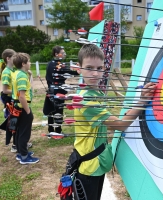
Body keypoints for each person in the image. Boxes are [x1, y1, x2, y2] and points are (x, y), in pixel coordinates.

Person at [71, 44, 156, 200]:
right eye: (89, 67)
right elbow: (120, 125)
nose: (95, 73)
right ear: (79, 68)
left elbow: (113, 122)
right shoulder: (86, 99)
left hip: (93, 161)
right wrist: (143, 100)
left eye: (99, 68)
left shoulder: (94, 91)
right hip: (90, 167)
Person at [43, 45, 79, 135]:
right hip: (58, 91)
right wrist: (78, 70)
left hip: (50, 90)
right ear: (56, 54)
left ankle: (51, 131)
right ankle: (58, 131)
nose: (64, 54)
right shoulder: (59, 64)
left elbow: (47, 77)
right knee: (58, 109)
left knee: (51, 110)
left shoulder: (50, 64)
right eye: (62, 53)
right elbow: (70, 72)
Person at [12, 52, 39, 164]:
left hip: (17, 106)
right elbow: (22, 96)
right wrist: (27, 111)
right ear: (23, 63)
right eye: (28, 61)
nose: (30, 63)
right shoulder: (22, 76)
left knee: (19, 131)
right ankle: (24, 157)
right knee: (24, 132)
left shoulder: (17, 73)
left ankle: (20, 152)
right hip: (22, 107)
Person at [0, 49, 17, 152]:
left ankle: (19, 141)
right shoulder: (6, 72)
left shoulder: (12, 70)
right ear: (8, 58)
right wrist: (18, 91)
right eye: (14, 57)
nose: (16, 59)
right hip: (10, 99)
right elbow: (5, 90)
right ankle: (15, 145)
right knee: (14, 122)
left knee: (17, 121)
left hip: (14, 98)